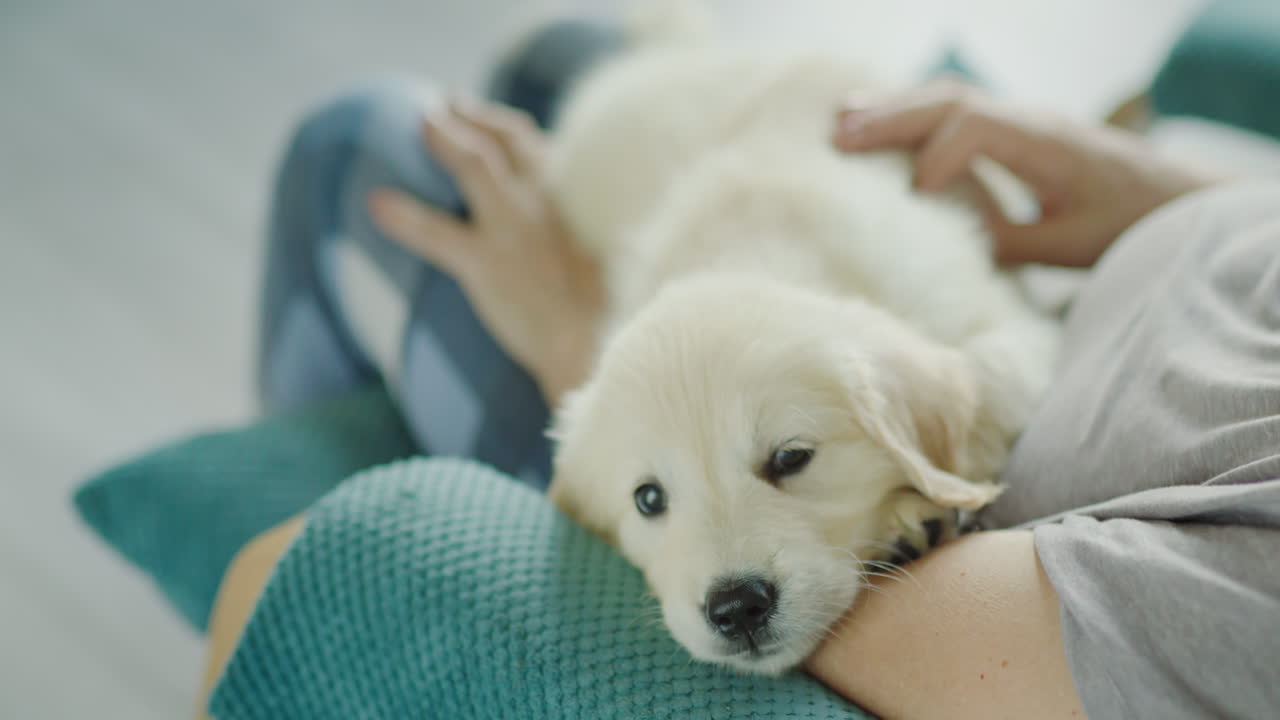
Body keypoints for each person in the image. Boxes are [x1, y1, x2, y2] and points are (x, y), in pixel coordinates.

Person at [200, 23, 1280, 720]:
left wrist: (598, 358)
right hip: (1046, 265)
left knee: (362, 142)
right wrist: (1166, 194)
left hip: (889, 356)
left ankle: (298, 588)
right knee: (557, 62)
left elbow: (977, 650)